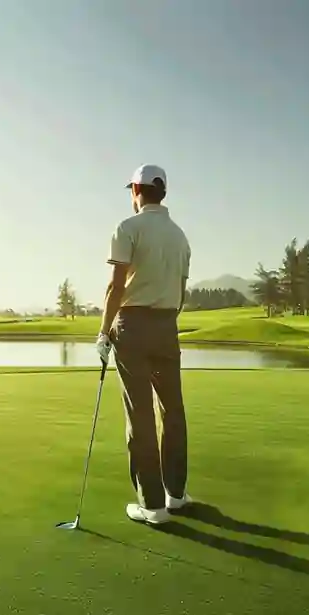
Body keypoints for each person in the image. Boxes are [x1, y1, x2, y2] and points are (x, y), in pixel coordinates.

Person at [95, 163, 193, 526]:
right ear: (162, 191)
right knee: (173, 411)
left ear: (136, 190)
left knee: (140, 413)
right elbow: (180, 293)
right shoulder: (180, 236)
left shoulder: (127, 227)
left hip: (132, 326)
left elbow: (116, 286)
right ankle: (177, 495)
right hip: (168, 326)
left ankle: (152, 505)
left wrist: (104, 332)